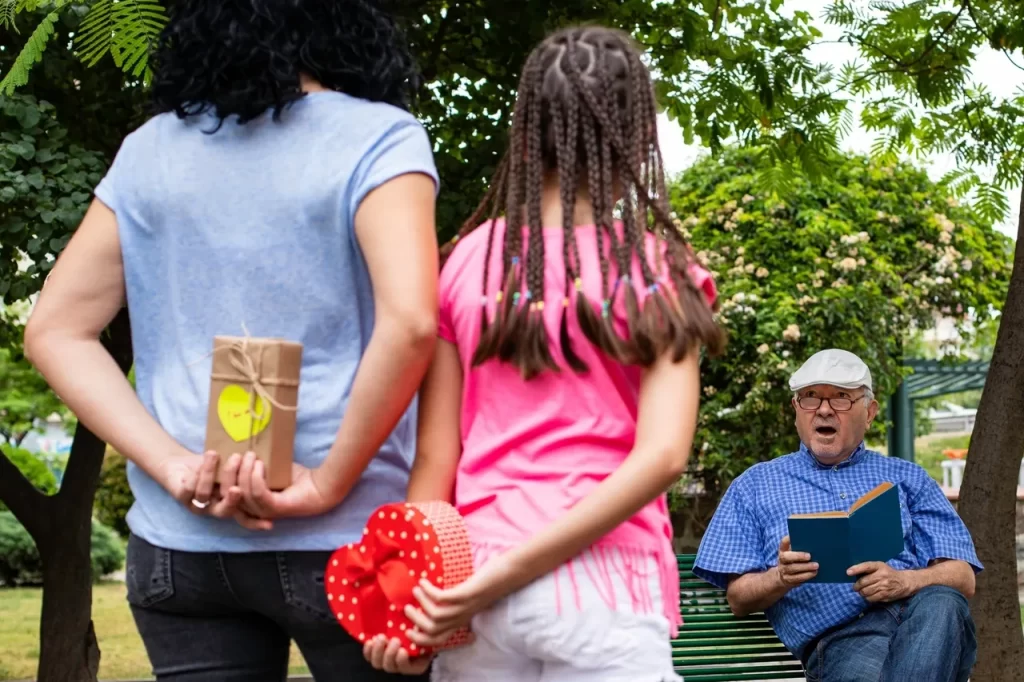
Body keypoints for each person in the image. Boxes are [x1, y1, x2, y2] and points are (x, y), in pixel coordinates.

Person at [23, 1, 439, 680]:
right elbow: (414, 321)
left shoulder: (150, 148)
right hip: (355, 546)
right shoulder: (379, 138)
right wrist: (326, 486)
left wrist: (174, 466)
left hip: (180, 549)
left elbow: (55, 330)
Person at [351, 24, 724, 681]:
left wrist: (412, 600)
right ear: (637, 136)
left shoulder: (466, 260)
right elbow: (663, 456)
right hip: (604, 586)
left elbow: (438, 457)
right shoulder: (655, 266)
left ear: (525, 131)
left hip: (475, 580)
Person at [693, 348, 981, 682]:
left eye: (842, 397)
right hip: (843, 640)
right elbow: (738, 598)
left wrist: (904, 581)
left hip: (924, 624)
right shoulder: (754, 485)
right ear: (796, 410)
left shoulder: (908, 477)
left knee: (943, 601)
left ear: (869, 412)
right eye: (810, 397)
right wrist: (780, 577)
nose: (824, 410)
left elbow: (963, 576)